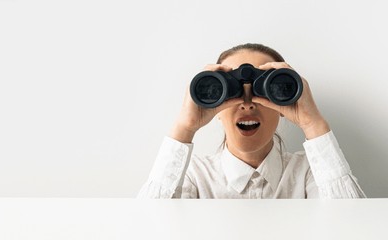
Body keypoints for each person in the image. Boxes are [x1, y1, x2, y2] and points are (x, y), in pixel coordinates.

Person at [138, 43, 366, 199]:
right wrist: (185, 126)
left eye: (264, 93)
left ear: (282, 107)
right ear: (215, 107)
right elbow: (148, 233)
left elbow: (351, 231)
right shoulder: (194, 175)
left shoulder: (309, 172)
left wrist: (313, 123)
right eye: (232, 93)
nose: (247, 104)